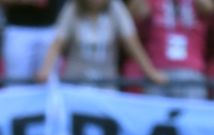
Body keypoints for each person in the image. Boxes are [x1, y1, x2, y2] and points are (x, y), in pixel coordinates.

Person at [34, 0, 166, 87]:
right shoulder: (72, 8)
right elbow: (57, 43)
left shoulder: (116, 8)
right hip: (75, 83)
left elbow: (132, 43)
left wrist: (150, 72)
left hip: (106, 85)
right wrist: (46, 69)